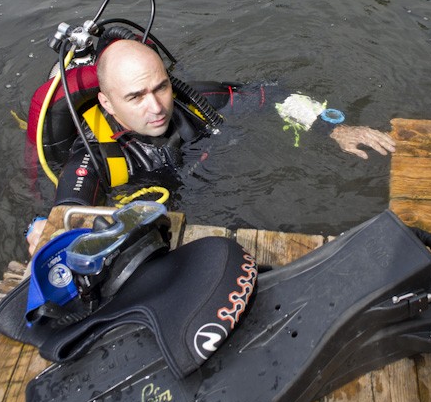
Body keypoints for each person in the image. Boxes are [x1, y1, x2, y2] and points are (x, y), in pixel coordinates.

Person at [26, 39, 395, 253]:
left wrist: (333, 128)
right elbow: (69, 212)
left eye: (160, 87)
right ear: (107, 103)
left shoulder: (193, 102)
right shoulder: (94, 156)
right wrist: (50, 234)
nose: (156, 107)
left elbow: (269, 94)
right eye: (135, 97)